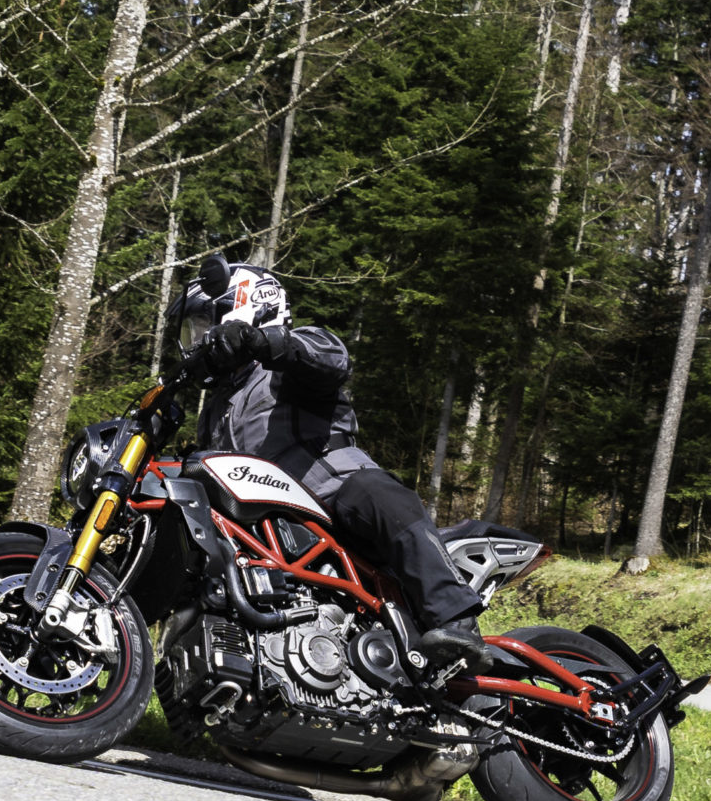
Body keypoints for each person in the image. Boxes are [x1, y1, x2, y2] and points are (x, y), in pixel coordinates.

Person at [167, 255, 492, 674]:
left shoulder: (288, 357)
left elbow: (330, 359)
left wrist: (260, 342)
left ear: (246, 308)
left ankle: (456, 617)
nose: (200, 341)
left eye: (204, 325)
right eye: (193, 331)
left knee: (375, 494)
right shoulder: (216, 407)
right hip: (269, 524)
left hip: (331, 490)